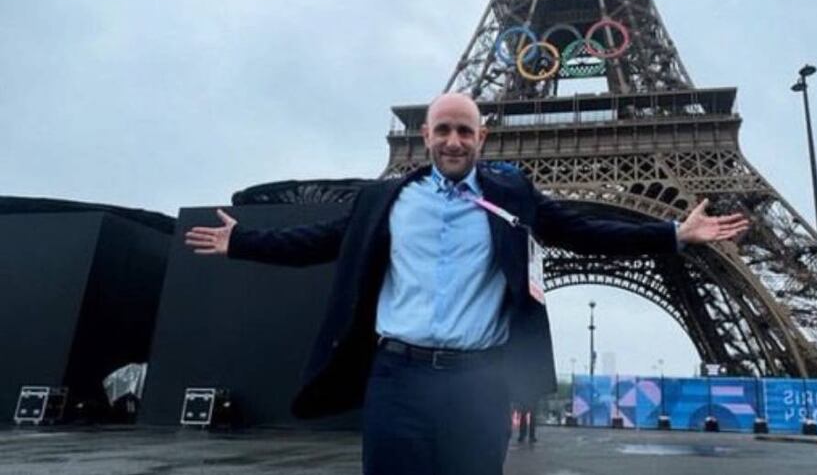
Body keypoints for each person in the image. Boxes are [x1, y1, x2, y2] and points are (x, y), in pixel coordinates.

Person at [184, 93, 750, 475]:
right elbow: (319, 240)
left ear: (482, 136)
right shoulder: (387, 199)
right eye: (444, 130)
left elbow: (581, 230)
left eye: (465, 131)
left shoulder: (511, 196)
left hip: (477, 383)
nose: (454, 141)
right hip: (396, 377)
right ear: (425, 135)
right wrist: (244, 242)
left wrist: (673, 232)